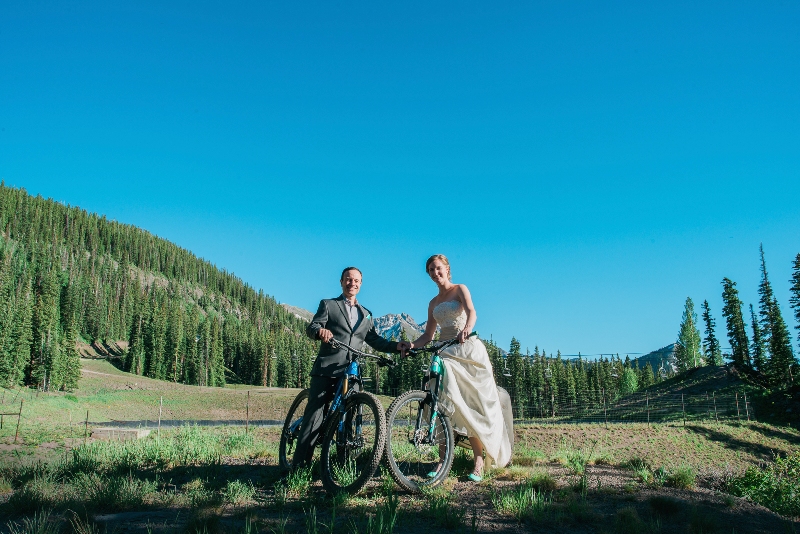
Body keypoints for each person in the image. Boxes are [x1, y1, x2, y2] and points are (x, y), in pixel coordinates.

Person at [292, 266, 410, 469]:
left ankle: (342, 466)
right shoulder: (328, 304)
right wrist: (321, 331)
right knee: (315, 416)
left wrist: (395, 346)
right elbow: (312, 327)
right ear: (341, 281)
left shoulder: (366, 315)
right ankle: (298, 469)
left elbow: (374, 340)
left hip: (351, 373)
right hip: (327, 368)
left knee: (348, 417)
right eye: (348, 279)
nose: (352, 283)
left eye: (356, 281)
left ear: (361, 284)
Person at [408, 254, 512, 480]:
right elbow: (428, 335)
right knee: (441, 403)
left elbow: (472, 312)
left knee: (471, 403)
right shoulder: (433, 303)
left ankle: (478, 462)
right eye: (431, 271)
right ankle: (443, 459)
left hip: (467, 350)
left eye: (438, 268)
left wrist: (467, 328)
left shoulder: (459, 289)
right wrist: (411, 345)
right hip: (444, 351)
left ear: (447, 268)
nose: (435, 273)